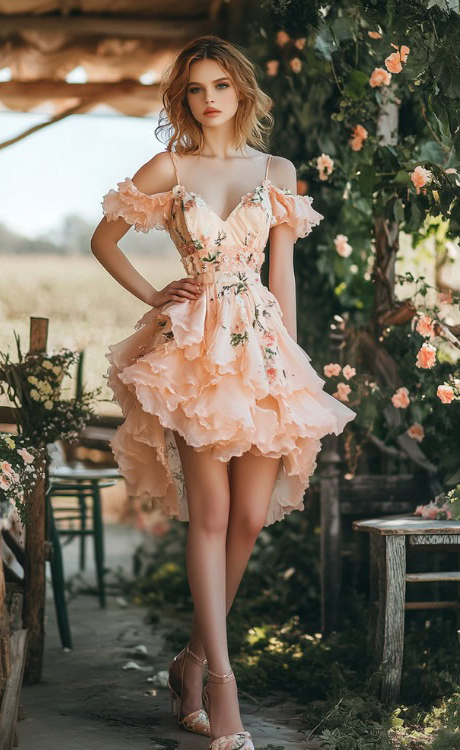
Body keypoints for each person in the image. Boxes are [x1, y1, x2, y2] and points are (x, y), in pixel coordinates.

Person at [91, 34, 356, 750]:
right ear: (184, 100)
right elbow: (104, 239)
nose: (209, 101)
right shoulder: (169, 165)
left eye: (220, 87)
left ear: (242, 91)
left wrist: (294, 363)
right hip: (193, 352)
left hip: (265, 349)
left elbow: (284, 274)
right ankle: (222, 694)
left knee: (247, 518)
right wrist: (156, 295)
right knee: (209, 514)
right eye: (195, 90)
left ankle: (191, 660)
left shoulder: (277, 169)